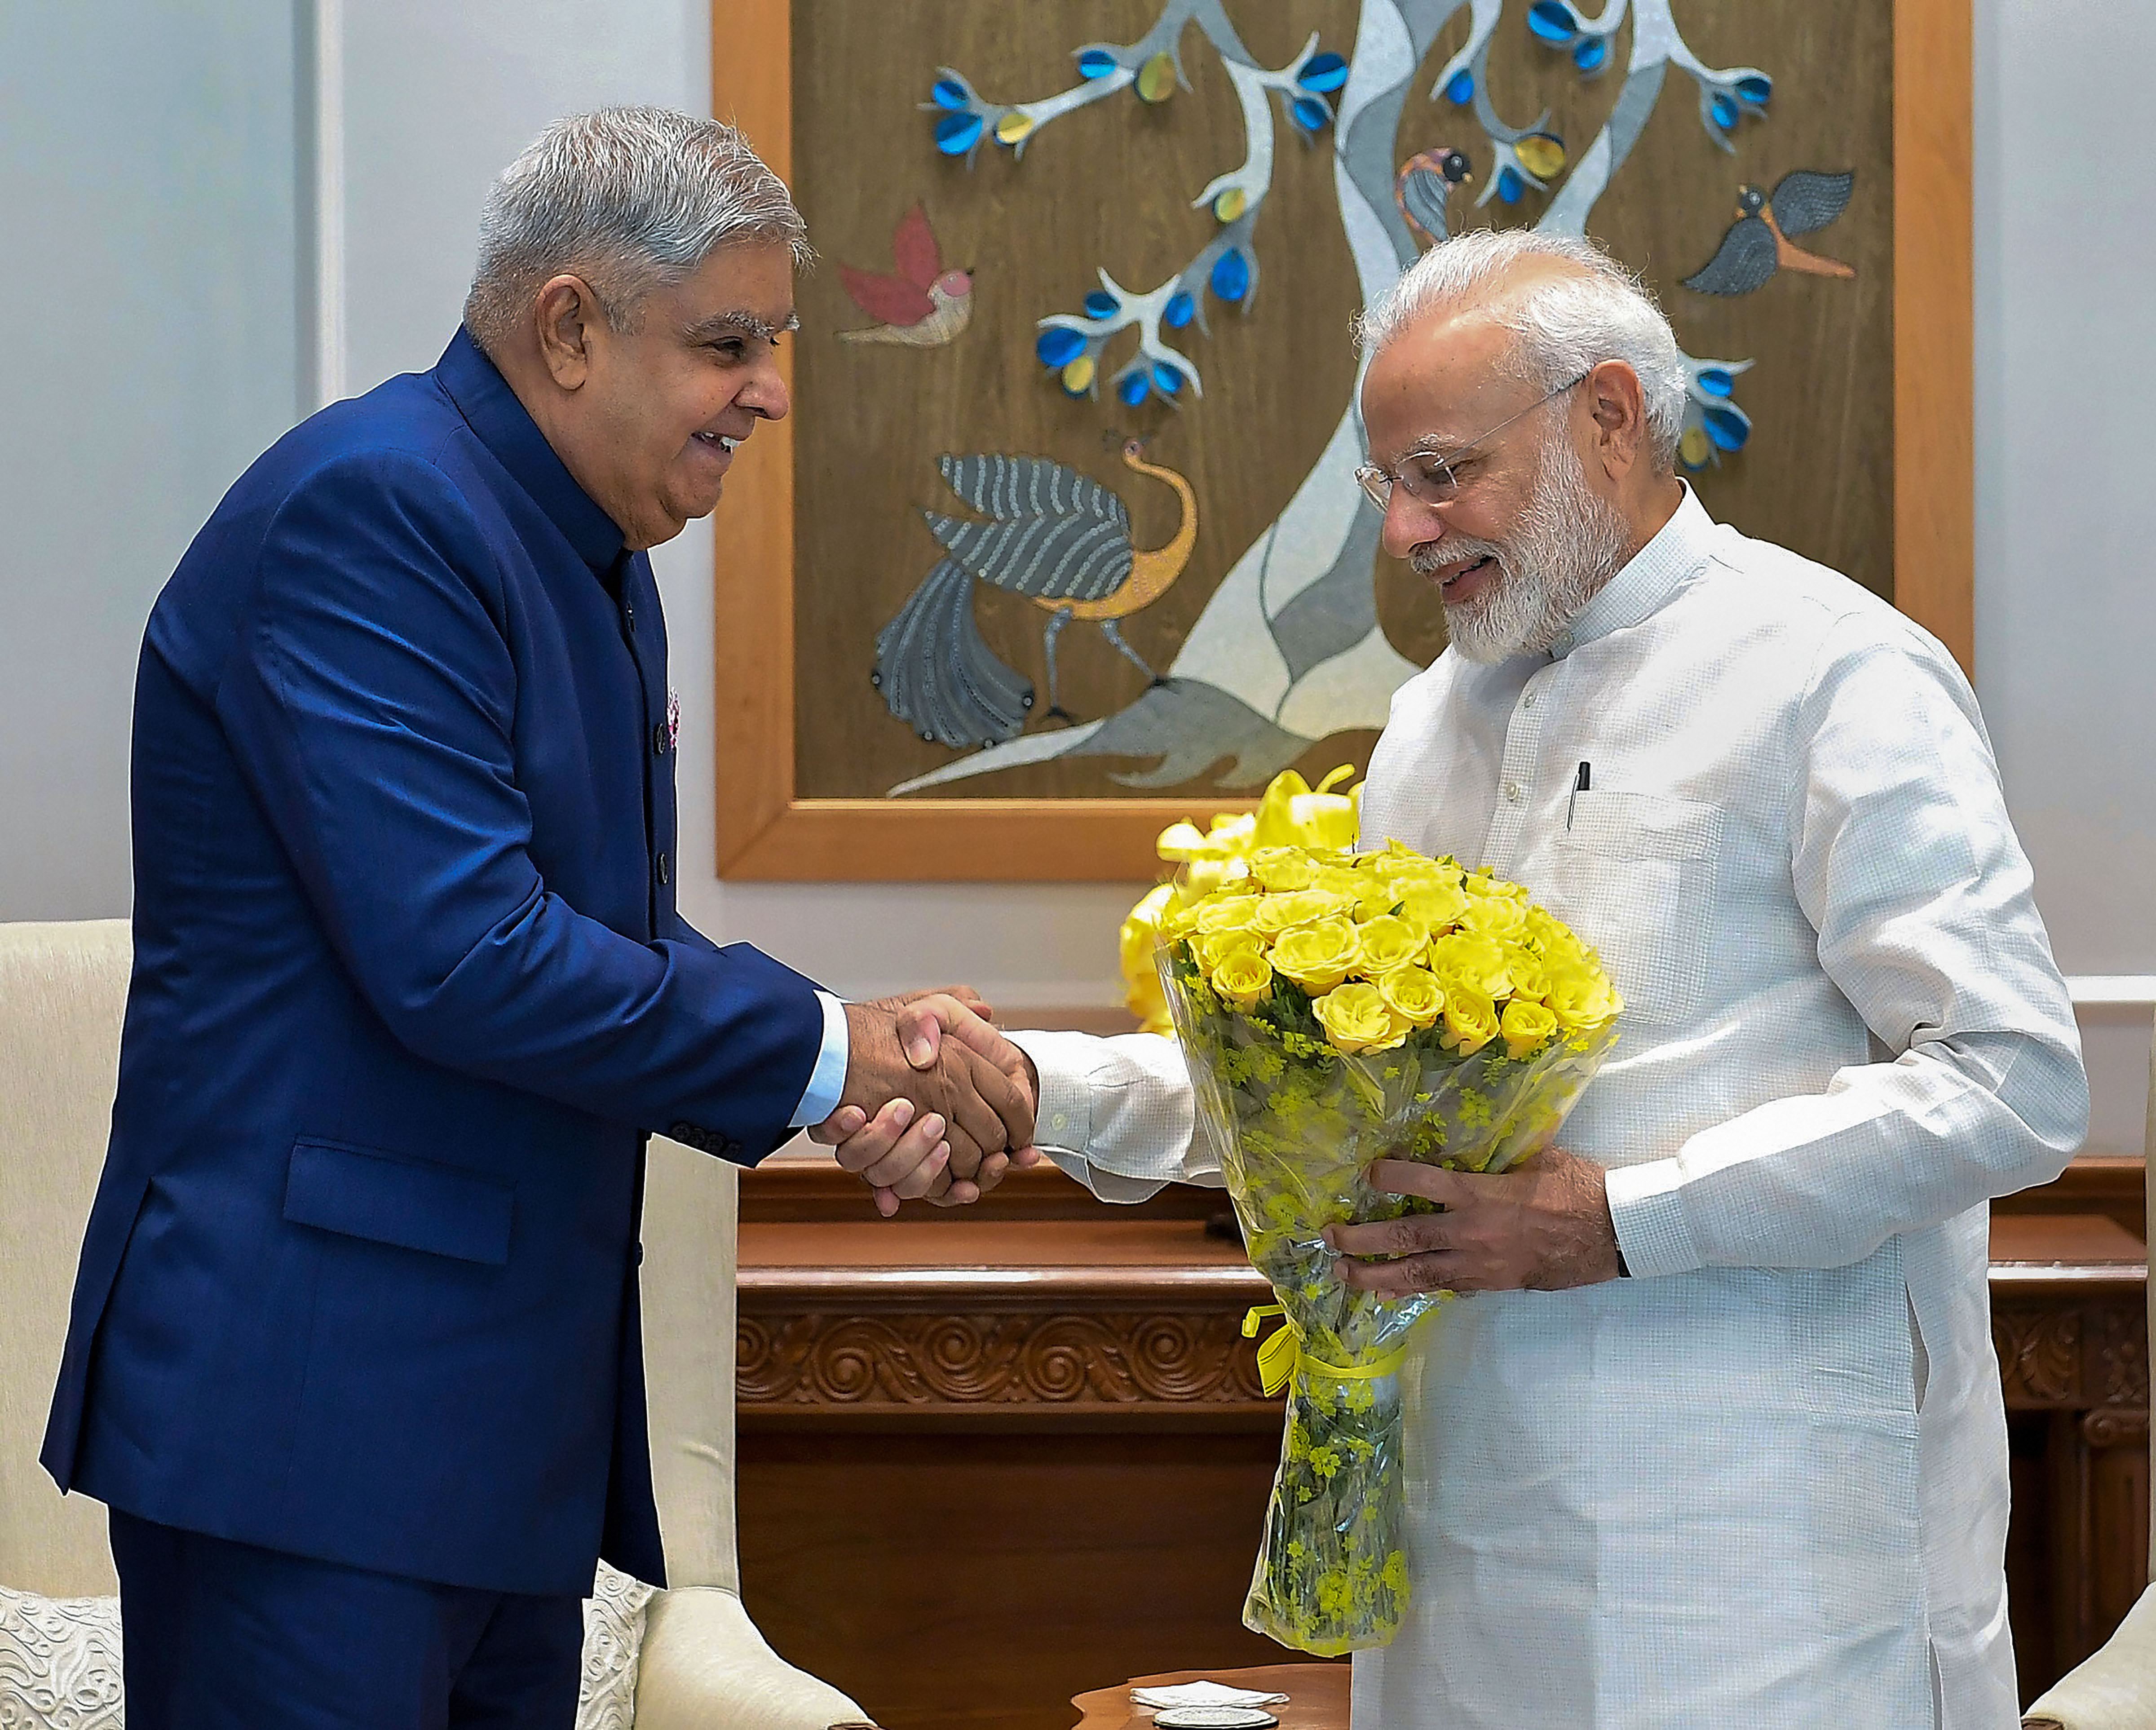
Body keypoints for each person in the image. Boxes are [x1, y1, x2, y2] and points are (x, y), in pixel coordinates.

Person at [826, 229, 2090, 1727]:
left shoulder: (1837, 674)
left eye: (1443, 472)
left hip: (1764, 1568)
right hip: (1468, 1558)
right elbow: (1320, 1103)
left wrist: (1615, 1221)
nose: (1409, 534)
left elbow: (2008, 1080)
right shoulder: (1428, 725)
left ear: (1610, 417)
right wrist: (1032, 1085)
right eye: (1389, 489)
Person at [42, 107, 1037, 1730]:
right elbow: (470, 956)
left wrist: (854, 1062)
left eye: (775, 344)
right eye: (730, 343)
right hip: (315, 1422)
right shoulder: (370, 511)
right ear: (569, 326)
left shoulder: (586, 551)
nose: (773, 391)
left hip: (484, 1429)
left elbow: (606, 940)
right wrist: (833, 1054)